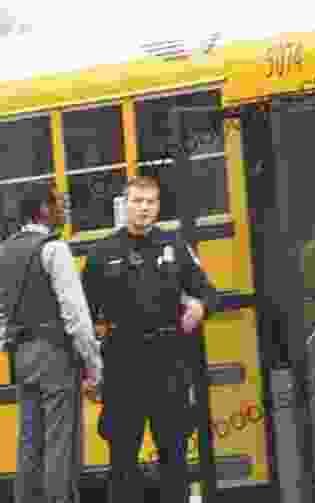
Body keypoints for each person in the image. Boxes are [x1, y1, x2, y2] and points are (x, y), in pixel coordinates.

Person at [81, 176, 217, 503]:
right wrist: (88, 370)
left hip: (168, 363)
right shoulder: (102, 253)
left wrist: (200, 306)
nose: (144, 208)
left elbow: (208, 291)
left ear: (158, 206)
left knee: (174, 453)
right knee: (123, 457)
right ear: (124, 204)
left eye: (150, 202)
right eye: (137, 201)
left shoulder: (174, 245)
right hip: (122, 365)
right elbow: (84, 315)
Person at [0, 181, 103, 503]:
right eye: (59, 202)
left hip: (22, 356)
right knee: (62, 443)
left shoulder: (4, 251)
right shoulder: (54, 248)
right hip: (56, 356)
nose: (64, 208)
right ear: (44, 209)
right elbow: (76, 316)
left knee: (29, 440)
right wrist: (93, 364)